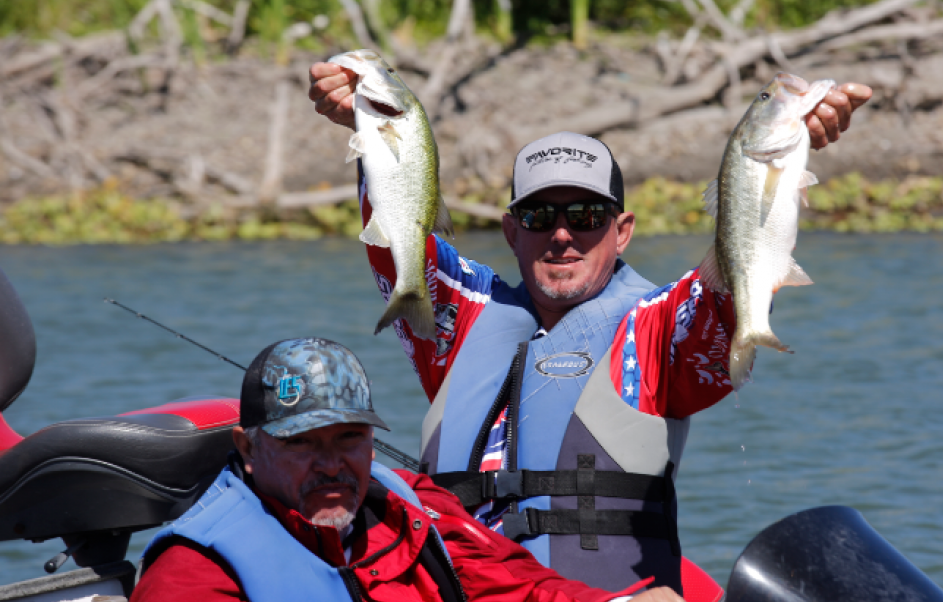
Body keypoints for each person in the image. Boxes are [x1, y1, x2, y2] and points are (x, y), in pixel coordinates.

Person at [307, 61, 872, 594]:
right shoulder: (461, 318)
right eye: (539, 216)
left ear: (622, 231)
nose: (561, 235)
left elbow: (725, 293)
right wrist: (371, 125)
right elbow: (398, 241)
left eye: (585, 216)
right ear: (511, 232)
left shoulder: (653, 330)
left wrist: (783, 151)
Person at [132, 337, 683, 602]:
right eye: (301, 443)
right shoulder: (194, 570)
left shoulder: (414, 507)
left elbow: (521, 588)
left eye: (349, 438)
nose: (331, 464)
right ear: (248, 450)